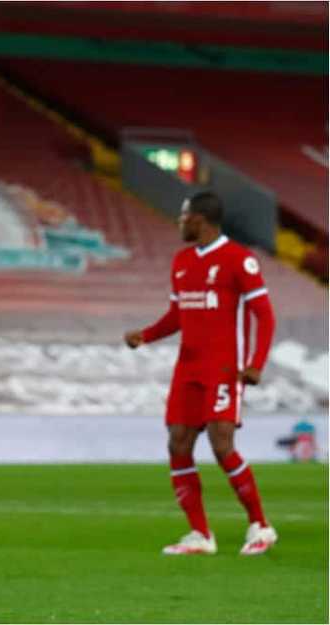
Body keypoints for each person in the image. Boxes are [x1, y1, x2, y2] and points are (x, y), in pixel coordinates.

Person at [125, 191, 277, 556]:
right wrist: (145, 335)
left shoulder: (240, 260)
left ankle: (260, 525)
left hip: (224, 367)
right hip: (188, 368)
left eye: (184, 216)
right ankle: (200, 535)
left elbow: (264, 314)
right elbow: (178, 315)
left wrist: (256, 363)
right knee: (178, 443)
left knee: (221, 443)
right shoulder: (181, 261)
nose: (179, 222)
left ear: (201, 219)